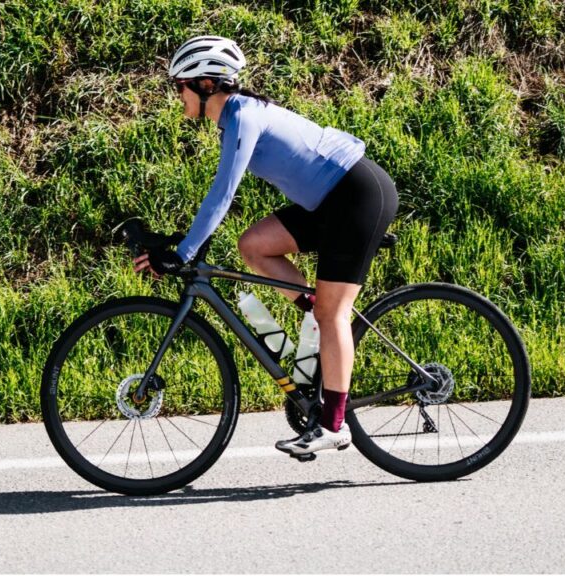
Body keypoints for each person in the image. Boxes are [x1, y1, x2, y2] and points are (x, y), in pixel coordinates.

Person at [133, 35, 399, 455]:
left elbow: (223, 194)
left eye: (179, 85)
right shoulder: (233, 120)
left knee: (334, 313)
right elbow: (220, 198)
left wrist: (184, 252)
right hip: (330, 202)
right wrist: (184, 243)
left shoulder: (243, 115)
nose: (176, 94)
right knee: (254, 245)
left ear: (206, 85)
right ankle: (319, 320)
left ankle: (333, 425)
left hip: (357, 195)